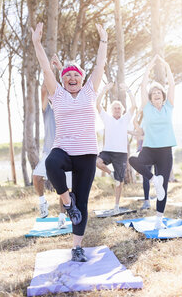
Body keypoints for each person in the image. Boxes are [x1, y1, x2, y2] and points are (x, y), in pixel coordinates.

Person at [31, 22, 107, 262]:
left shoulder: (89, 92)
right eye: (68, 76)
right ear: (62, 81)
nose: (72, 78)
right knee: (51, 164)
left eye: (76, 75)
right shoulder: (58, 94)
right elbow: (45, 69)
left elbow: (99, 66)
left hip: (86, 154)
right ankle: (67, 201)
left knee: (83, 202)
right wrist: (36, 43)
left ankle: (77, 247)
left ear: (82, 79)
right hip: (63, 149)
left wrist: (103, 40)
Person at [128, 55, 176, 230]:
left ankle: (159, 219)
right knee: (133, 159)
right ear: (150, 98)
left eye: (159, 93)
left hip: (165, 151)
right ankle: (152, 179)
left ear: (163, 96)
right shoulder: (147, 107)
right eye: (153, 93)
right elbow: (142, 86)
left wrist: (167, 67)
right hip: (149, 148)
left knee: (164, 187)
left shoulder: (169, 106)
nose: (156, 94)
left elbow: (172, 85)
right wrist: (148, 67)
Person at [31, 55, 72, 229]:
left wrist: (62, 67)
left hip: (68, 152)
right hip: (49, 151)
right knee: (36, 177)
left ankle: (62, 216)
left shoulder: (67, 105)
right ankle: (42, 202)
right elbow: (43, 89)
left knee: (63, 188)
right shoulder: (47, 109)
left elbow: (68, 87)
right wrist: (50, 69)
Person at [96, 81, 136, 213]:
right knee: (97, 162)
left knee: (119, 182)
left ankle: (117, 206)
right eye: (115, 108)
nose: (117, 110)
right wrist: (104, 90)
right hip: (107, 151)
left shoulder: (125, 119)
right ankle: (110, 173)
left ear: (122, 110)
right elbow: (97, 105)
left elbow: (134, 106)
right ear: (111, 110)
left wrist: (128, 90)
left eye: (119, 108)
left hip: (121, 153)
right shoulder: (107, 118)